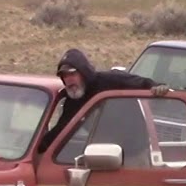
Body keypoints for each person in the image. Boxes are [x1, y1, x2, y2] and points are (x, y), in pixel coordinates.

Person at [37, 48, 168, 154]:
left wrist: (156, 87)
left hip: (134, 153)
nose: (69, 80)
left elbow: (141, 83)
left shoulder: (110, 80)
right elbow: (62, 129)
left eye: (72, 74)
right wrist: (38, 147)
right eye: (64, 76)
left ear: (83, 72)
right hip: (101, 155)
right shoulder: (73, 100)